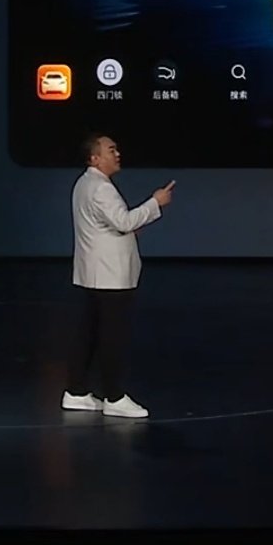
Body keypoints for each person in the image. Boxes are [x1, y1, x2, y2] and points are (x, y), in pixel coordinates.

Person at [62, 134, 174, 418]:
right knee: (112, 336)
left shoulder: (84, 183)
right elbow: (123, 221)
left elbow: (108, 225)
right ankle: (114, 397)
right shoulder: (101, 188)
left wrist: (131, 225)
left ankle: (76, 391)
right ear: (95, 158)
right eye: (111, 150)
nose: (117, 154)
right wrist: (156, 202)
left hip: (94, 272)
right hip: (110, 275)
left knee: (89, 333)